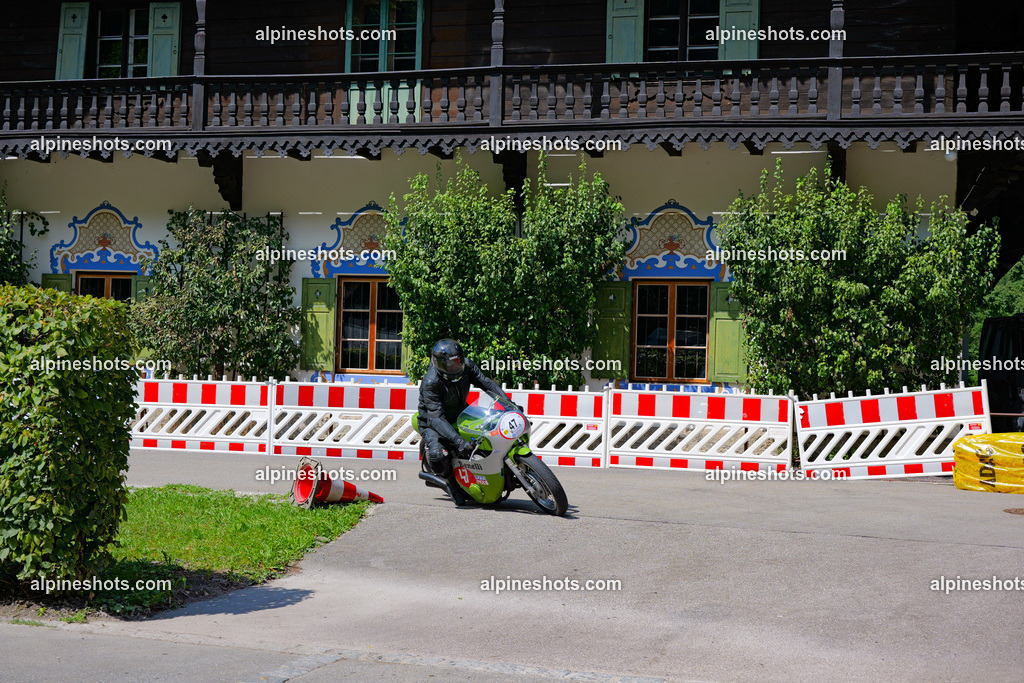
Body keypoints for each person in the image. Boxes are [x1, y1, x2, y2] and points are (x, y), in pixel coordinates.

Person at [418, 339, 511, 505]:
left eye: (458, 361)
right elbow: (436, 417)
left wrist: (508, 404)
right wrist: (459, 441)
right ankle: (451, 484)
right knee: (438, 453)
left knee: (490, 429)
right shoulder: (431, 382)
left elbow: (487, 383)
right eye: (450, 364)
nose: (455, 366)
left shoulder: (466, 366)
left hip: (461, 412)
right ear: (438, 363)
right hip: (432, 420)